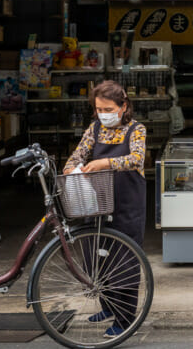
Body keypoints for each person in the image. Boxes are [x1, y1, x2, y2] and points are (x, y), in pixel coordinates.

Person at [63, 80, 147, 336]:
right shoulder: (95, 128)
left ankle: (124, 319)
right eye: (99, 109)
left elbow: (137, 158)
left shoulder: (137, 130)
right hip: (98, 202)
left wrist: (103, 163)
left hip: (127, 204)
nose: (103, 114)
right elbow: (78, 154)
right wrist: (70, 168)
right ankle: (108, 305)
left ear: (123, 107)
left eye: (108, 109)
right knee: (98, 257)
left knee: (124, 261)